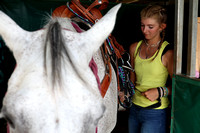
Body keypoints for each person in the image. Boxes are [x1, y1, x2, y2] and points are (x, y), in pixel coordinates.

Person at [128, 4, 173, 133]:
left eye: (150, 27)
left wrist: (160, 91)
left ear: (162, 27)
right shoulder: (134, 48)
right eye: (142, 25)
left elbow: (178, 86)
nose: (144, 30)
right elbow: (132, 79)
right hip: (134, 108)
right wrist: (124, 93)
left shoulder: (167, 53)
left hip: (156, 112)